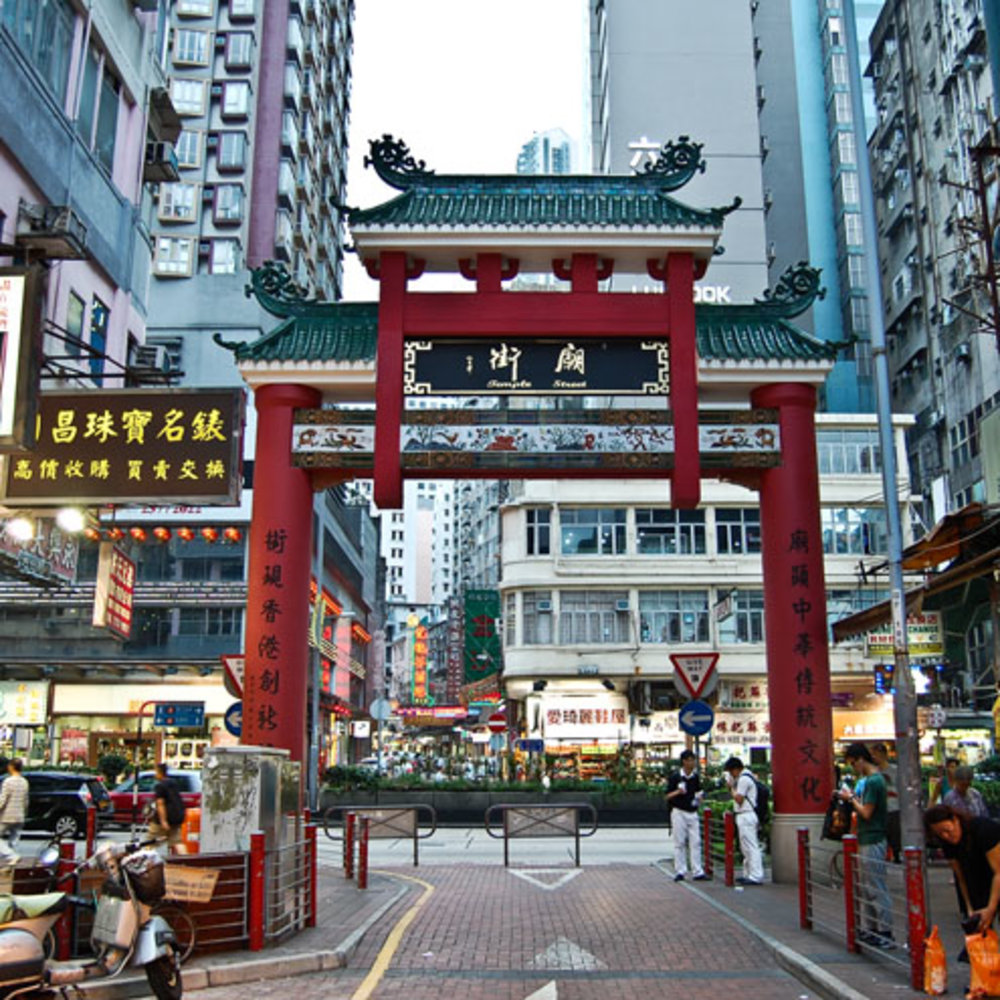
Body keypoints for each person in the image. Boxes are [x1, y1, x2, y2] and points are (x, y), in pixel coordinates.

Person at [840, 741, 892, 947]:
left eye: (853, 763)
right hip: (868, 837)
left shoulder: (874, 782)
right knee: (868, 886)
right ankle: (874, 929)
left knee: (875, 886)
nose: (854, 768)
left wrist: (850, 798)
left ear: (861, 759)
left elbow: (866, 812)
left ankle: (884, 932)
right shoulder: (873, 780)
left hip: (873, 837)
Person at [925, 803, 1000, 933]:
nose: (946, 836)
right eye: (940, 834)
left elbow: (998, 872)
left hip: (995, 873)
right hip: (978, 881)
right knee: (978, 925)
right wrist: (969, 907)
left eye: (947, 830)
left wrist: (991, 908)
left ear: (955, 820)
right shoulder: (947, 844)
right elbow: (961, 878)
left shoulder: (984, 830)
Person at [666, 750, 707, 882]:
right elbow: (667, 796)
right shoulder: (675, 777)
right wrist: (678, 791)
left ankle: (697, 871)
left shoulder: (695, 777)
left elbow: (699, 792)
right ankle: (680, 870)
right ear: (684, 762)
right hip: (679, 811)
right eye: (689, 760)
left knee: (696, 841)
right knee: (680, 842)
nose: (692, 763)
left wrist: (700, 798)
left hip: (692, 811)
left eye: (693, 760)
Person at [723, 756, 763, 885]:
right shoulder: (745, 777)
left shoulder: (744, 779)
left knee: (751, 846)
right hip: (745, 815)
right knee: (745, 847)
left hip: (746, 814)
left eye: (731, 772)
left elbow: (739, 799)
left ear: (736, 769)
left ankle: (756, 875)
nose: (731, 775)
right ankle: (748, 873)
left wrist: (731, 788)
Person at [871, 742, 901, 861]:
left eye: (877, 754)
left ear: (884, 755)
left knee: (894, 832)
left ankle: (896, 854)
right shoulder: (873, 771)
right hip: (879, 808)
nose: (875, 757)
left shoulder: (895, 770)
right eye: (873, 754)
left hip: (894, 807)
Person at [149, 763, 186, 855]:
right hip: (176, 818)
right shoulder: (173, 783)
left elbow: (160, 804)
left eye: (155, 772)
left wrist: (163, 821)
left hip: (162, 820)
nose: (154, 775)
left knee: (149, 842)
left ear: (160, 772)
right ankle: (187, 860)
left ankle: (144, 860)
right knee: (177, 841)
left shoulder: (160, 786)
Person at [0, 759, 28, 867]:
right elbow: (26, 801)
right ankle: (11, 863)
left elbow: (2, 800)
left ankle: (11, 856)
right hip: (20, 815)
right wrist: (24, 812)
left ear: (11, 767)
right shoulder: (24, 782)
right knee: (13, 840)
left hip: (7, 816)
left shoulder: (8, 781)